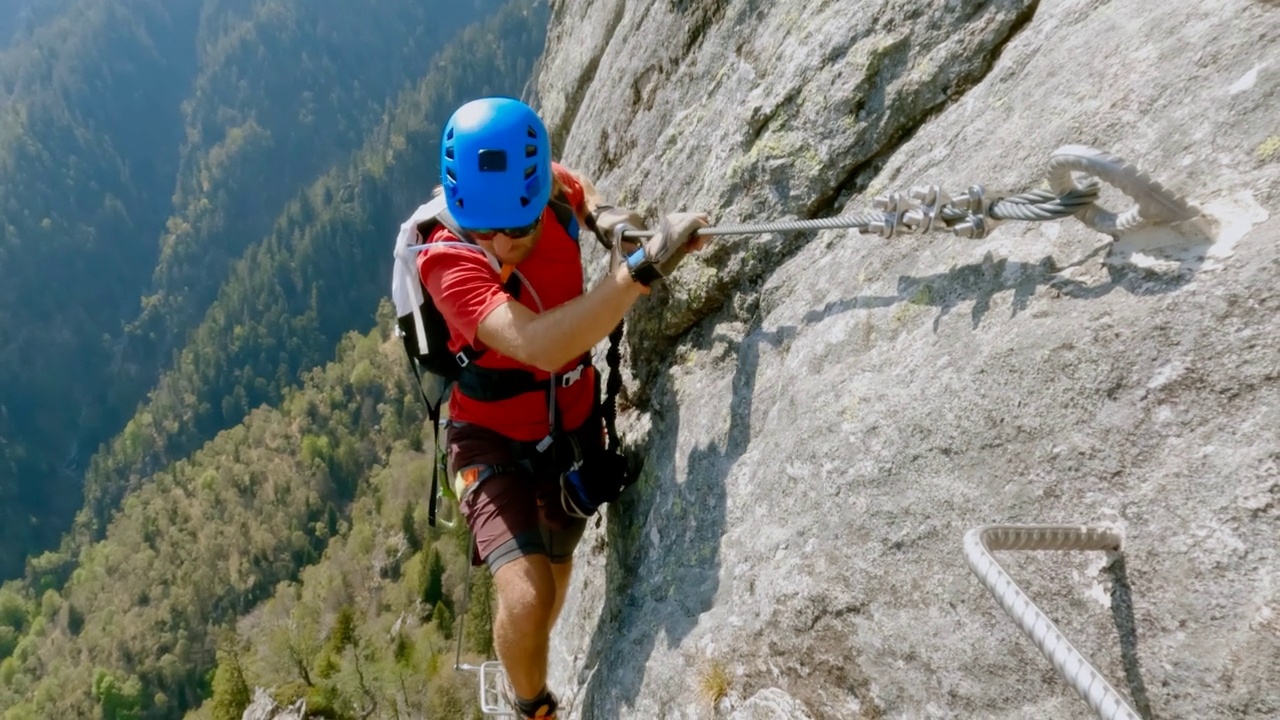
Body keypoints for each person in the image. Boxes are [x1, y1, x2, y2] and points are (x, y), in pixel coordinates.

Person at [417, 96, 708, 720]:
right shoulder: (449, 262)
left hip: (569, 426)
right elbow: (541, 345)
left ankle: (537, 651)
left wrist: (601, 217)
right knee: (525, 596)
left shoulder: (543, 187)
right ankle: (533, 708)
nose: (502, 244)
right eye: (484, 229)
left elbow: (576, 185)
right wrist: (640, 267)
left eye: (516, 229)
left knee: (556, 565)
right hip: (488, 437)